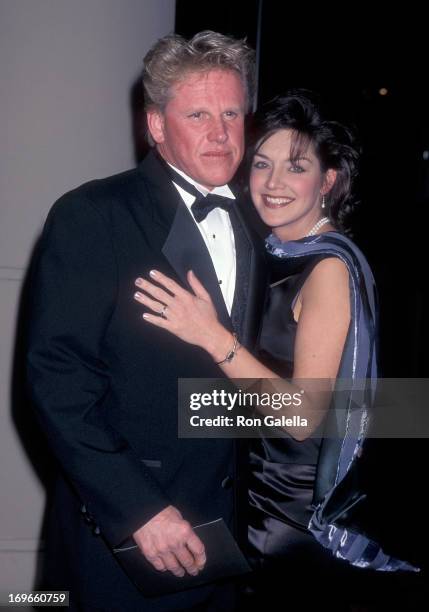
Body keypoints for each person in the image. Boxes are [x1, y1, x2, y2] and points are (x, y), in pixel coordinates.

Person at [133, 91, 419, 610]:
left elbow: (301, 417)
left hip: (291, 522)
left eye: (296, 166)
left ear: (328, 181)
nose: (273, 183)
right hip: (259, 501)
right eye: (262, 163)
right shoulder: (280, 253)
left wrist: (212, 336)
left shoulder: (328, 268)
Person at [26, 31, 267, 611]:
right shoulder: (93, 215)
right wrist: (136, 509)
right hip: (132, 549)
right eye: (199, 114)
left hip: (236, 548)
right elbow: (57, 379)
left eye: (232, 112)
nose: (219, 132)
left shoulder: (263, 225)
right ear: (157, 126)